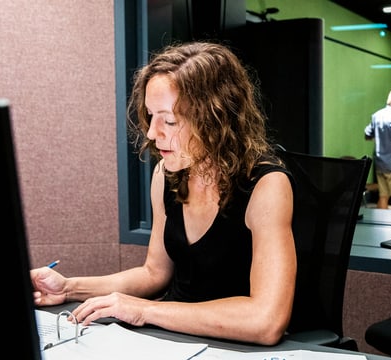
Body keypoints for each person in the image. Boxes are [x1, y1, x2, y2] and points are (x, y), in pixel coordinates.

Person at [30, 42, 297, 346]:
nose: (152, 133)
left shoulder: (266, 185)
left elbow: (266, 321)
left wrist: (145, 310)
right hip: (170, 340)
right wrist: (68, 289)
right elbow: (154, 272)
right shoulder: (167, 175)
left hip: (236, 347)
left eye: (169, 120)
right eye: (150, 115)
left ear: (215, 119)